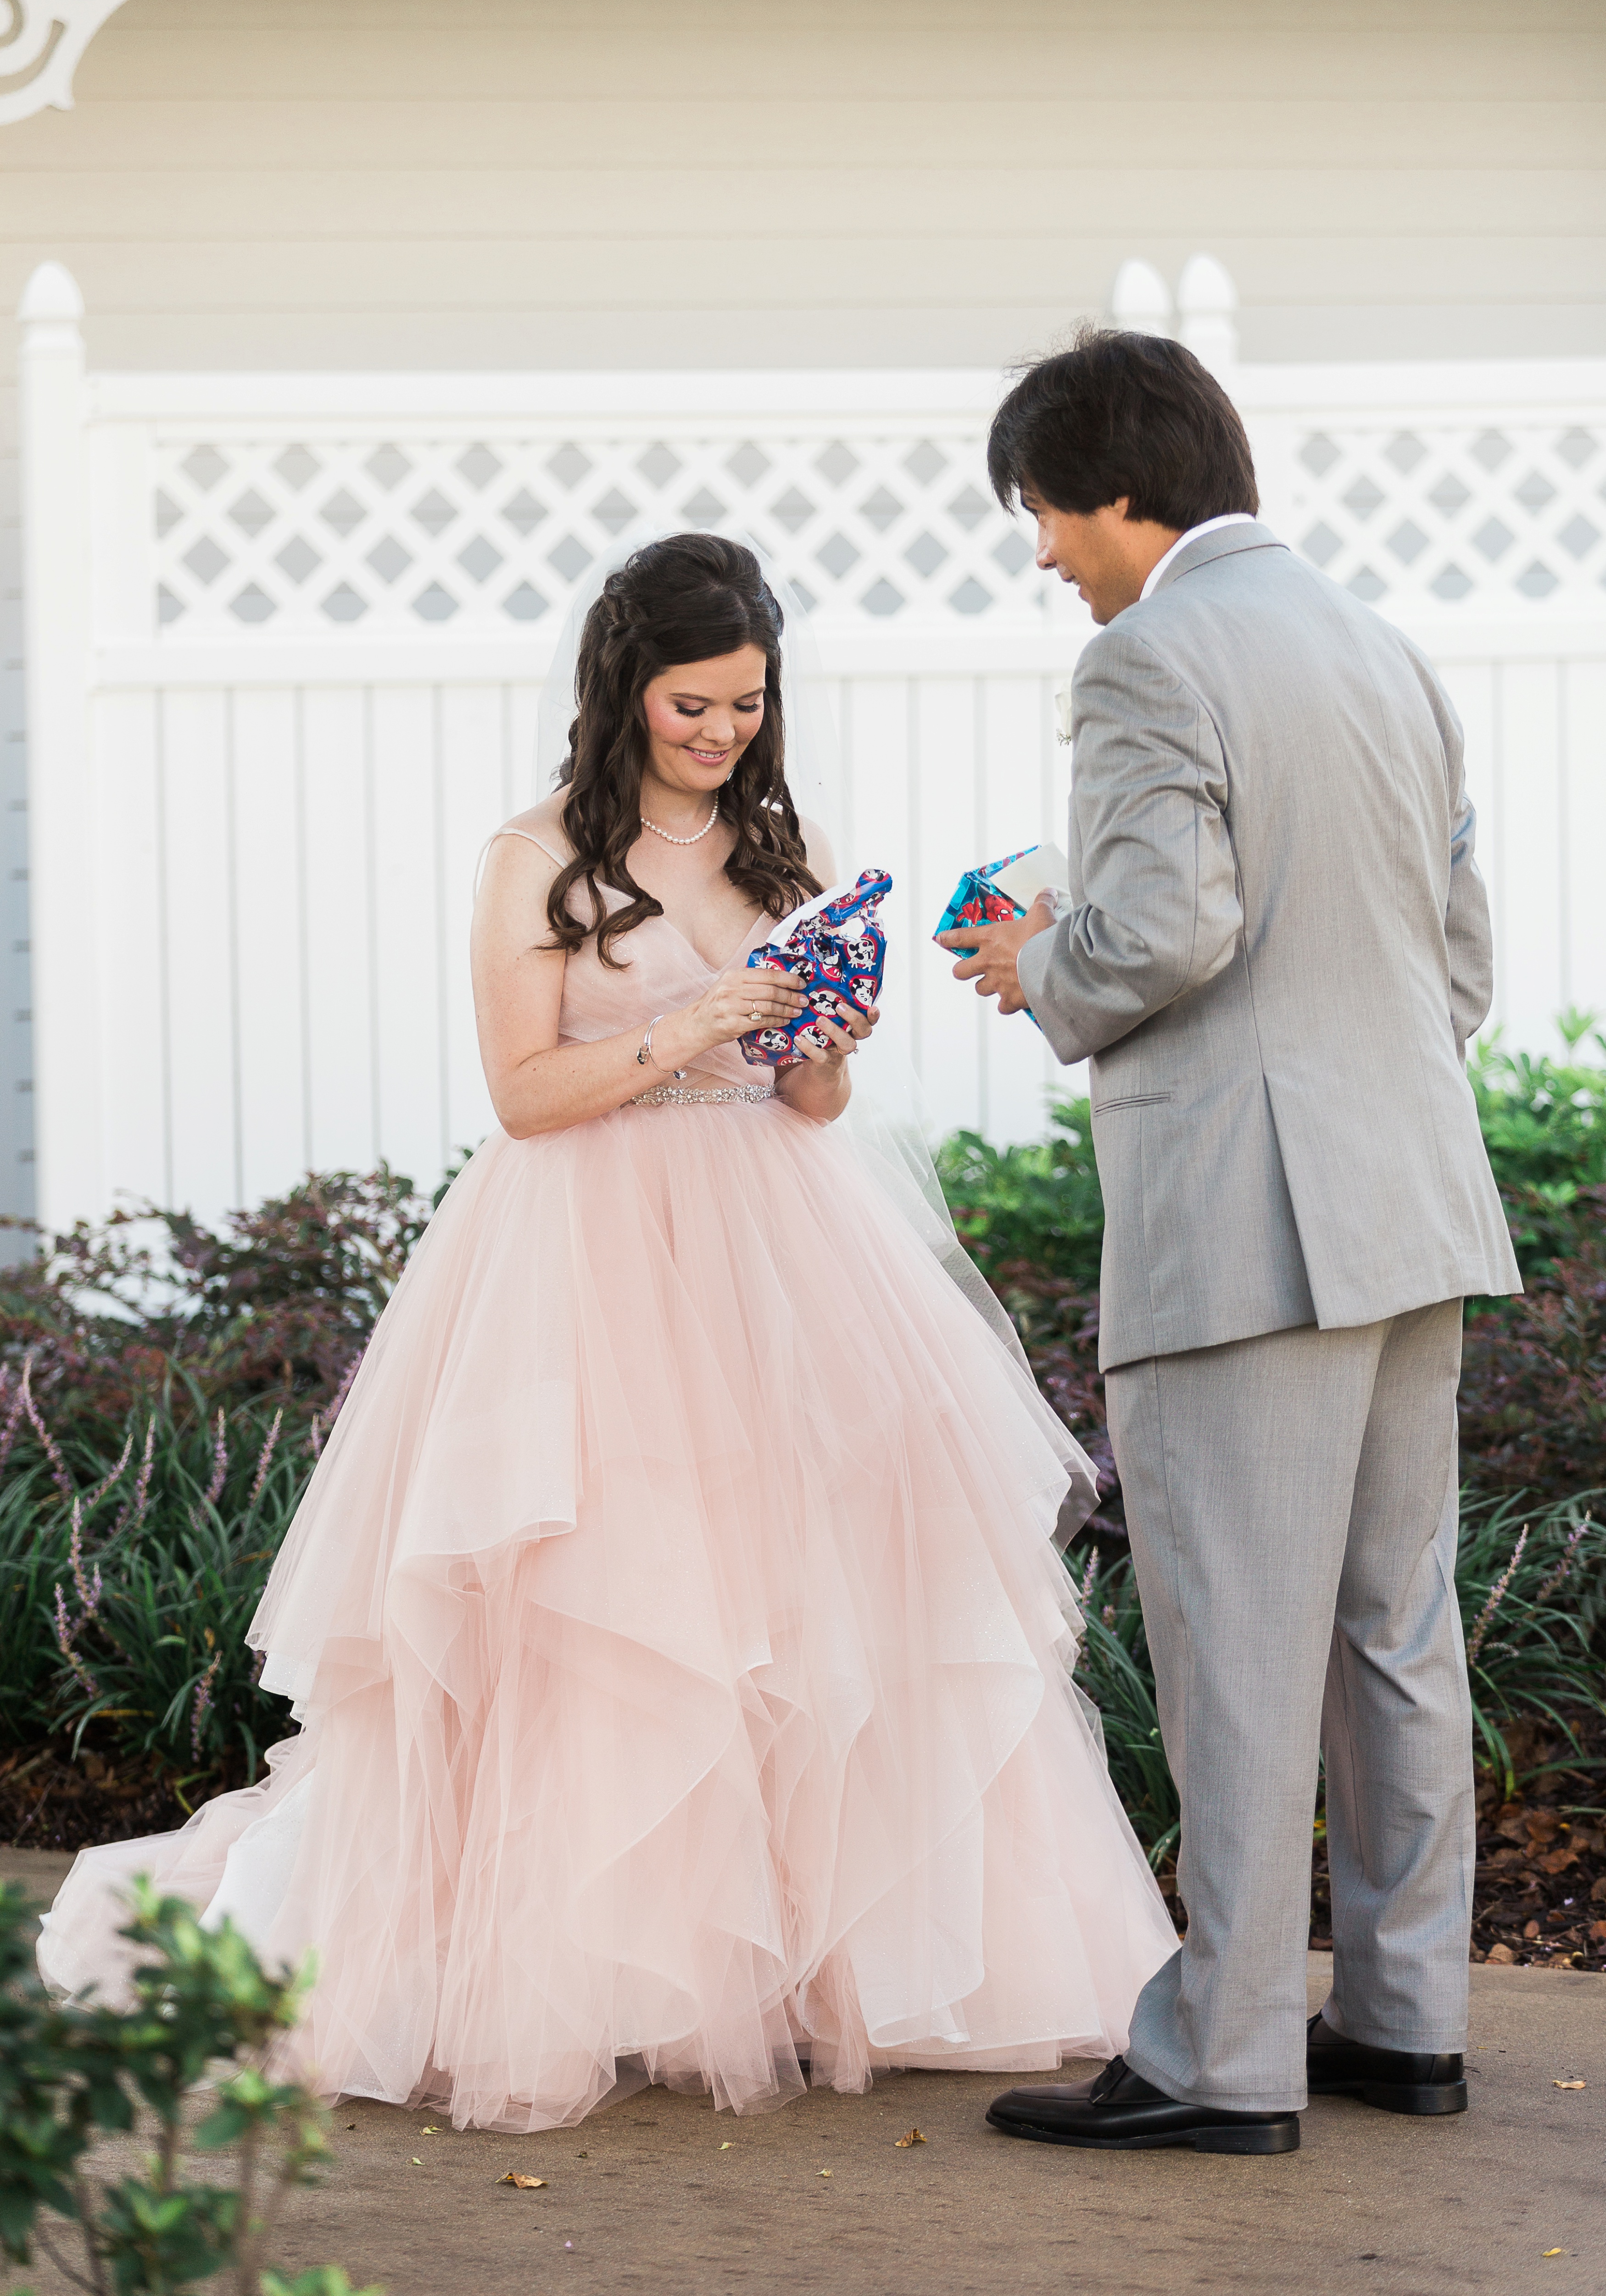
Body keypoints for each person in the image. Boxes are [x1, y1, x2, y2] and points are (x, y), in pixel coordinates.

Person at [39, 531, 1175, 2132]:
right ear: (625, 687)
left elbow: (812, 1102)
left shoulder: (789, 848)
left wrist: (821, 1034)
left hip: (773, 1249)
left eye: (747, 704)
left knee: (793, 1601)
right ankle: (579, 1968)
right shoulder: (534, 859)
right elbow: (522, 1094)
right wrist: (694, 1018)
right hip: (583, 1255)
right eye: (693, 703)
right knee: (609, 1603)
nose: (721, 732)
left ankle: (796, 1963)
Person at [942, 331, 1521, 2158]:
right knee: (1391, 1629)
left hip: (1244, 1225)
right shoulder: (1382, 648)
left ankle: (1223, 2055)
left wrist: (1030, 958)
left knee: (1236, 1644)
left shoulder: (1146, 656)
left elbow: (1164, 930)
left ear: (1118, 489)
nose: (1045, 551)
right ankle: (1405, 2021)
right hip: (1408, 1204)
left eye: (1043, 511)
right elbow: (1456, 960)